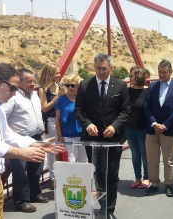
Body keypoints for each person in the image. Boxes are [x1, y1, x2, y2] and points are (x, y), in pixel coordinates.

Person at [0, 63, 60, 219]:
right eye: (13, 88)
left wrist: (36, 144)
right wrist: (20, 152)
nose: (14, 94)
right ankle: (22, 200)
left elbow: (8, 135)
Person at [74, 53, 130, 219]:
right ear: (94, 67)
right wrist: (87, 124)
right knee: (98, 174)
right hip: (92, 138)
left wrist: (114, 126)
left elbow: (126, 111)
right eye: (98, 68)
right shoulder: (85, 85)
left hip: (113, 138)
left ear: (110, 68)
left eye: (104, 68)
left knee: (112, 174)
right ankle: (102, 205)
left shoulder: (120, 86)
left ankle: (109, 210)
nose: (101, 72)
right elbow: (78, 111)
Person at [2, 69, 50, 213]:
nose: (33, 83)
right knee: (20, 172)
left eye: (33, 80)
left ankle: (35, 194)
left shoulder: (35, 94)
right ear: (20, 82)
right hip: (19, 140)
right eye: (29, 81)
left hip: (36, 138)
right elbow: (2, 117)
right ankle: (22, 201)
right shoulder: (14, 97)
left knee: (37, 169)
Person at [143, 59, 173, 197]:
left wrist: (165, 125)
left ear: (171, 72)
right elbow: (147, 107)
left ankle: (169, 184)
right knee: (152, 159)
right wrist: (154, 123)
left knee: (169, 160)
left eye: (164, 72)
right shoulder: (152, 86)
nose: (161, 75)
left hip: (170, 130)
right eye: (160, 72)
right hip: (152, 130)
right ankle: (154, 183)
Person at [38, 63, 67, 186]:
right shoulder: (43, 89)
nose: (59, 75)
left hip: (63, 121)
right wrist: (57, 97)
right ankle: (53, 178)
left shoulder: (60, 85)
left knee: (64, 148)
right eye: (56, 73)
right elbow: (44, 108)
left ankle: (64, 176)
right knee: (52, 150)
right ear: (49, 74)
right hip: (51, 121)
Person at [124, 66, 149, 189]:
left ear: (138, 76)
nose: (130, 77)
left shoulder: (147, 91)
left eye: (131, 75)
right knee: (135, 154)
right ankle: (137, 178)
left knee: (144, 154)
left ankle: (147, 177)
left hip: (143, 128)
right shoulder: (127, 91)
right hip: (130, 128)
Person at [54, 73, 87, 163]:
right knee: (70, 162)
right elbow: (57, 120)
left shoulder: (83, 99)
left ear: (78, 86)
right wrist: (59, 136)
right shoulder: (61, 100)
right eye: (67, 85)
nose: (70, 88)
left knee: (83, 163)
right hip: (67, 137)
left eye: (73, 85)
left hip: (82, 136)